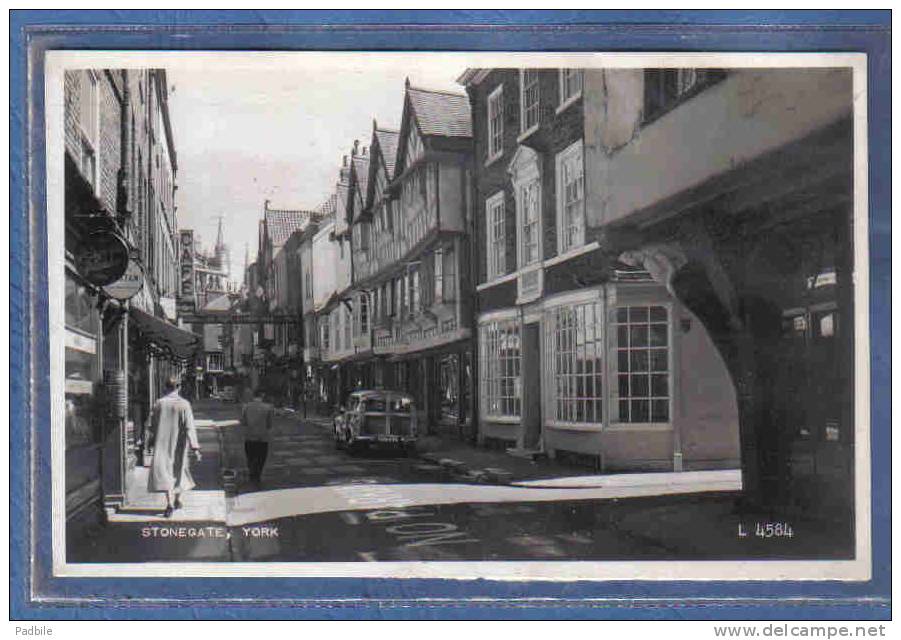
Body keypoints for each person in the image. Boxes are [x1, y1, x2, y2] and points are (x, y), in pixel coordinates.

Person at [148, 375, 201, 518]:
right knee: (179, 470)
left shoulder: (159, 403)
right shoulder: (184, 404)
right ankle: (178, 499)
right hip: (180, 444)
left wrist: (151, 440)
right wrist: (195, 447)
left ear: (165, 387)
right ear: (179, 387)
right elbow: (190, 427)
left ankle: (170, 503)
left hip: (162, 444)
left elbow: (152, 426)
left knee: (166, 473)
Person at [242, 390, 275, 488]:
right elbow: (269, 424)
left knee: (250, 457)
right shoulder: (268, 408)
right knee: (261, 457)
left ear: (253, 396)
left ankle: (252, 473)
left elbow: (244, 422)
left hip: (249, 437)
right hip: (262, 437)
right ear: (262, 395)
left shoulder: (246, 407)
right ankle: (258, 474)